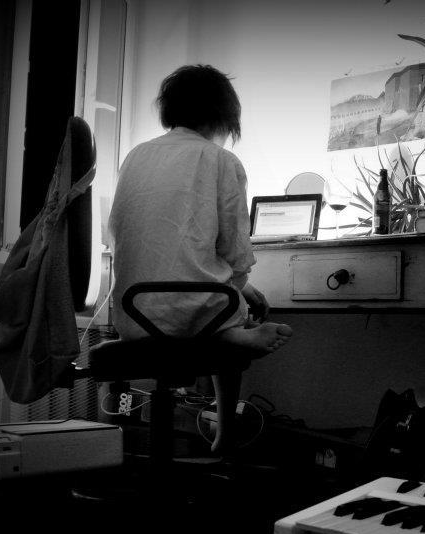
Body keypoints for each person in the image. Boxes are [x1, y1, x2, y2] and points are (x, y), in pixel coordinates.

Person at [108, 64, 292, 452]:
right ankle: (225, 428)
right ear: (224, 114)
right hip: (193, 316)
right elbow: (236, 253)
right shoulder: (221, 160)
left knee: (230, 297)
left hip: (133, 316)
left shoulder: (135, 156)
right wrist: (241, 287)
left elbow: (131, 237)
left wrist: (241, 288)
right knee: (231, 305)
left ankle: (233, 330)